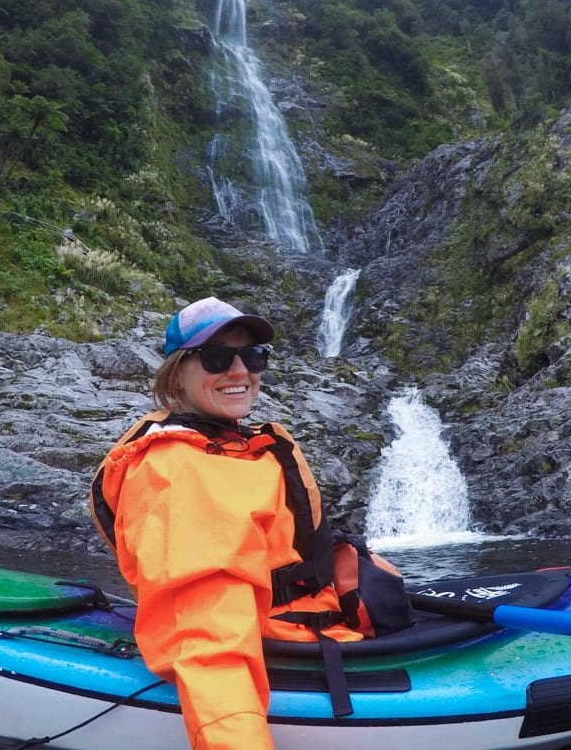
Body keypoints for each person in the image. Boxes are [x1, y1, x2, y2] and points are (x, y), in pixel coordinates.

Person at [89, 297, 372, 750]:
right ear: (177, 373)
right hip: (274, 641)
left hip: (312, 622)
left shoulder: (232, 444)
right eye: (218, 357)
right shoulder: (178, 471)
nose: (240, 371)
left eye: (253, 355)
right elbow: (208, 632)